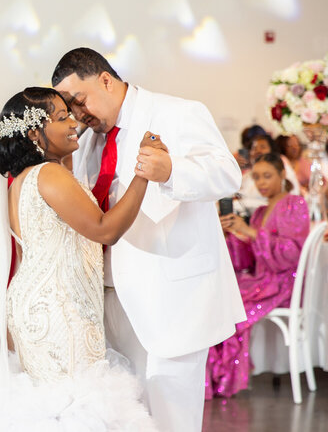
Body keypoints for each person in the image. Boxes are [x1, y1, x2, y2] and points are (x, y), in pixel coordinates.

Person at [0, 87, 159, 431]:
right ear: (35, 132)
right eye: (62, 116)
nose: (73, 122)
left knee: (59, 405)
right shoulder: (48, 176)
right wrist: (144, 173)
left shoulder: (25, 179)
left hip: (44, 304)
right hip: (58, 311)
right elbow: (105, 230)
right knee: (74, 406)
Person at [53, 47, 245, 432]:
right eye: (70, 108)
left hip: (171, 295)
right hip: (111, 299)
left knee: (172, 416)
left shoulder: (176, 112)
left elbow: (228, 174)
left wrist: (171, 170)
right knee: (130, 415)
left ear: (105, 79)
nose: (77, 114)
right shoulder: (92, 138)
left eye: (80, 100)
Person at [208, 153, 309, 398]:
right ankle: (215, 376)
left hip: (284, 282)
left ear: (282, 175)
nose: (262, 183)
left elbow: (292, 252)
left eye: (267, 176)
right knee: (216, 296)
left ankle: (224, 377)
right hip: (262, 280)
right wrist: (231, 235)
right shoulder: (259, 212)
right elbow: (247, 261)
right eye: (257, 177)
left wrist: (252, 232)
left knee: (230, 306)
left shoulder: (295, 204)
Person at [237, 133, 300, 215]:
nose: (258, 151)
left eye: (262, 147)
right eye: (254, 148)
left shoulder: (282, 167)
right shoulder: (248, 174)